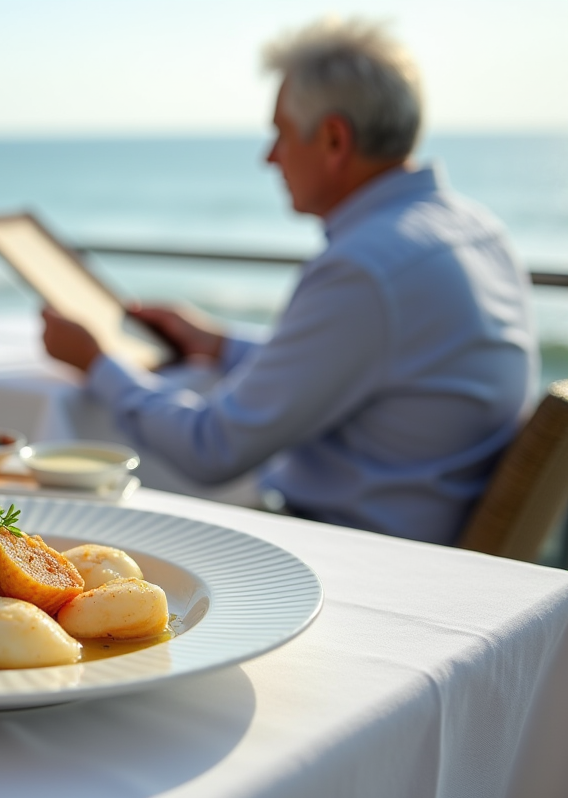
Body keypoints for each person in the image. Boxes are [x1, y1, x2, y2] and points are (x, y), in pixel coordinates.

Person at [41, 17, 539, 545]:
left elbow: (212, 449)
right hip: (434, 535)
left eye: (280, 132)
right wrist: (221, 344)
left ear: (332, 138)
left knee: (77, 508)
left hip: (357, 551)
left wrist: (98, 363)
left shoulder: (364, 270)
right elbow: (366, 367)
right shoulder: (476, 229)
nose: (270, 156)